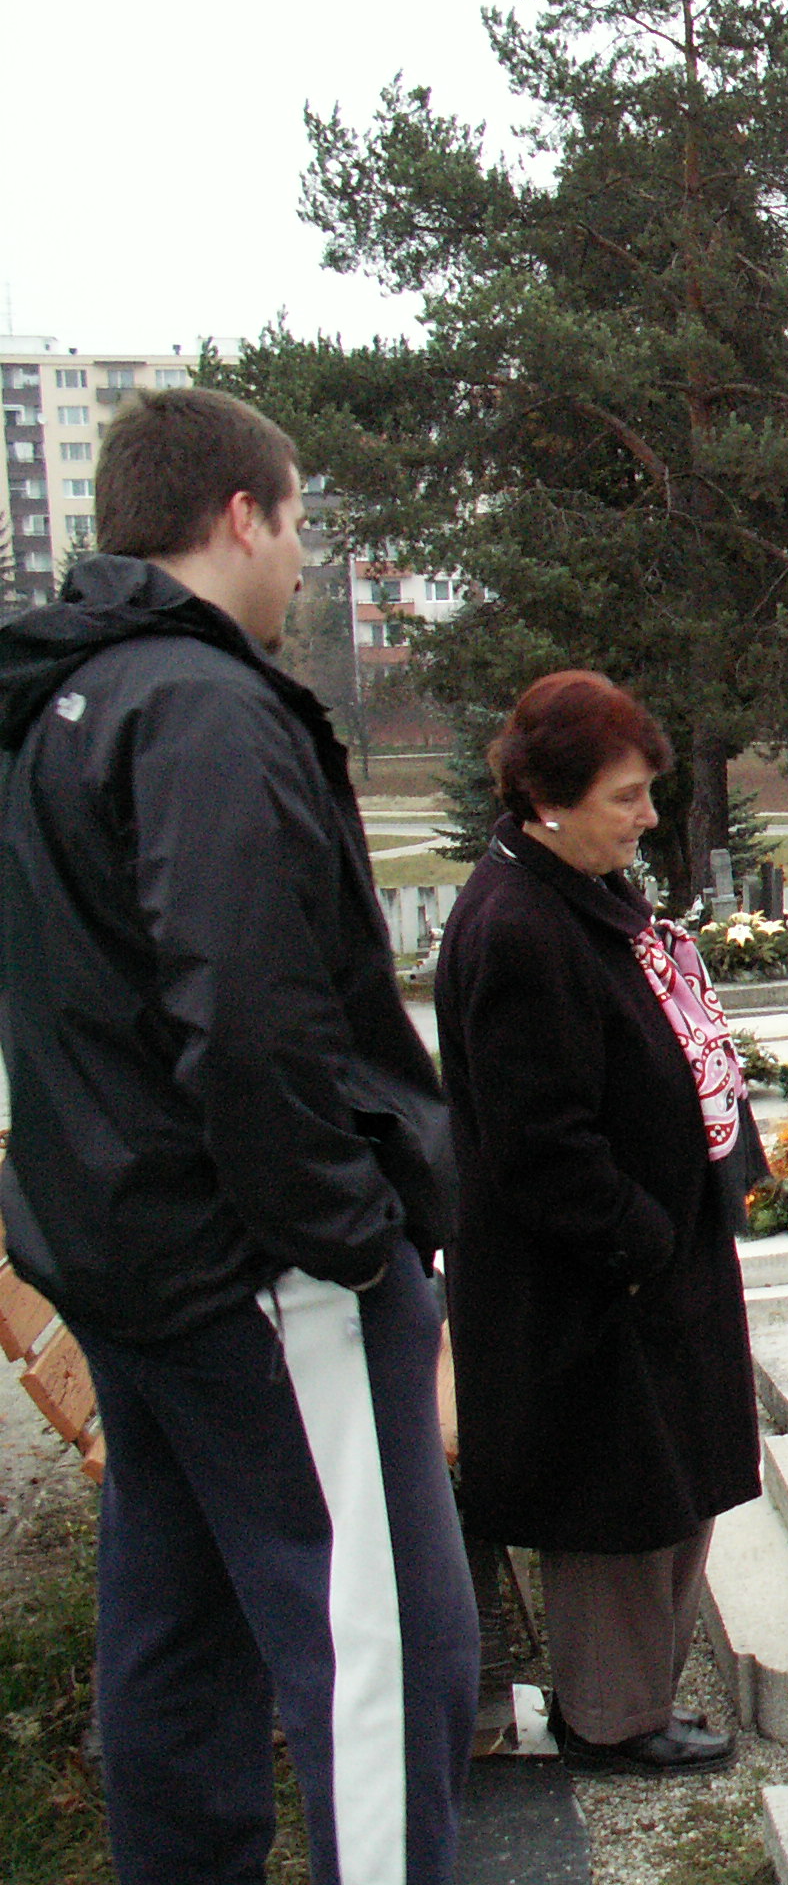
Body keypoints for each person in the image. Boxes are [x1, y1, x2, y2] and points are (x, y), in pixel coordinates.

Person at [0, 388, 476, 1883]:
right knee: (378, 1647)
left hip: (128, 1258)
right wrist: (349, 1238)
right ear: (242, 515)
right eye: (300, 524)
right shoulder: (202, 709)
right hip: (260, 1271)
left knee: (181, 1634)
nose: (303, 560)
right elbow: (250, 1017)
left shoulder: (60, 702)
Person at [434, 672, 764, 1777]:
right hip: (593, 1279)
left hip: (642, 1262)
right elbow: (539, 1140)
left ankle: (630, 1699)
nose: (648, 818)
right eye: (625, 797)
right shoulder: (519, 926)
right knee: (619, 1507)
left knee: (669, 1487)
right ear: (548, 799)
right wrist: (643, 1240)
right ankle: (610, 1720)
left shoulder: (575, 890)